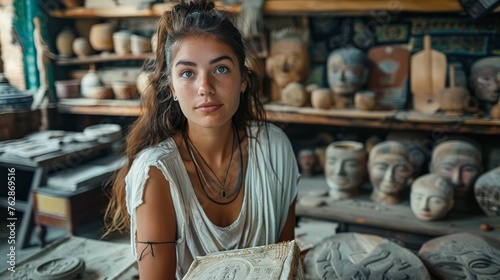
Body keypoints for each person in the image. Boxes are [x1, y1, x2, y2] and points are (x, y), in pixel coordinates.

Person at [103, 1, 299, 278]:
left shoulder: (274, 148)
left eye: (220, 69)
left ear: (243, 79)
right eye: (187, 73)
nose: (205, 87)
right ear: (171, 86)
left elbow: (284, 264)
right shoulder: (157, 175)